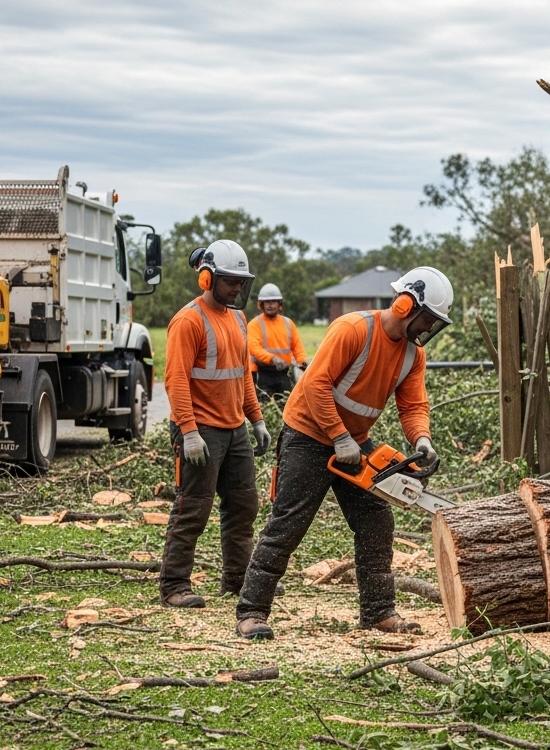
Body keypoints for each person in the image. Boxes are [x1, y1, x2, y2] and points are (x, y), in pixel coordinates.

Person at [234, 267, 454, 640]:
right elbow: (317, 383)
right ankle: (251, 612)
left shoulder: (411, 356)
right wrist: (339, 437)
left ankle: (378, 612)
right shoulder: (354, 329)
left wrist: (422, 440)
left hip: (354, 439)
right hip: (307, 432)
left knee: (375, 519)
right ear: (405, 305)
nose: (426, 329)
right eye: (426, 320)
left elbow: (413, 405)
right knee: (289, 522)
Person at [160, 240, 273, 608]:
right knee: (193, 507)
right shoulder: (188, 321)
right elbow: (175, 380)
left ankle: (237, 579)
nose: (236, 288)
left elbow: (242, 376)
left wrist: (255, 419)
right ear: (208, 278)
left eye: (241, 281)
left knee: (243, 506)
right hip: (200, 429)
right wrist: (189, 432)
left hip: (234, 427)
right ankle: (175, 585)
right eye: (229, 281)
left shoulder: (238, 318)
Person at [247, 283, 308, 400]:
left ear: (279, 304)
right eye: (267, 302)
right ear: (261, 304)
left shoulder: (288, 323)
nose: (270, 305)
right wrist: (272, 359)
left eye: (273, 301)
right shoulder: (255, 324)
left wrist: (303, 362)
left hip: (283, 374)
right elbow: (254, 347)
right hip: (262, 374)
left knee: (286, 406)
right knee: (264, 407)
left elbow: (297, 347)